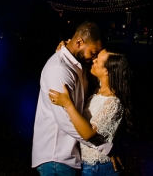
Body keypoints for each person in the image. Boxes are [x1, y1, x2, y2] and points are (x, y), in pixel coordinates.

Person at [32, 21, 117, 176]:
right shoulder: (59, 69)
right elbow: (66, 122)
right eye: (93, 53)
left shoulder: (79, 66)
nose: (93, 58)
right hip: (56, 156)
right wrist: (104, 148)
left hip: (71, 158)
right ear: (79, 42)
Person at [49, 48, 132, 176]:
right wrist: (65, 48)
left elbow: (88, 134)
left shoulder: (113, 102)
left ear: (106, 71)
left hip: (99, 168)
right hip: (90, 165)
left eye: (97, 60)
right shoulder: (98, 89)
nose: (93, 60)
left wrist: (67, 104)